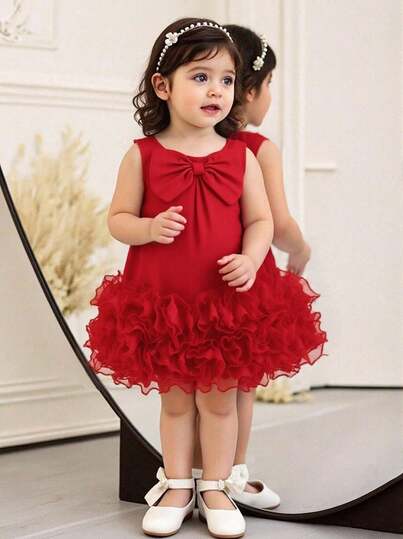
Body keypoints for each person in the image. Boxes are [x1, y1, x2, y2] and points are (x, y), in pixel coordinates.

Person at [83, 16, 328, 538]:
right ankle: (177, 485)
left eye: (227, 79)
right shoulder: (142, 155)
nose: (217, 90)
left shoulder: (241, 156)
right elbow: (117, 219)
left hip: (223, 302)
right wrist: (148, 228)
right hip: (165, 301)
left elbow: (261, 220)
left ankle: (215, 486)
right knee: (175, 402)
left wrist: (252, 258)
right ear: (163, 86)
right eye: (200, 77)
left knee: (219, 400)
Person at [191, 23, 329, 512]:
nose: (269, 95)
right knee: (239, 386)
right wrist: (301, 250)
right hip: (243, 283)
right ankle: (231, 474)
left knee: (192, 383)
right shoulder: (255, 148)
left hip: (194, 277)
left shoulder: (186, 143)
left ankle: (192, 473)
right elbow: (278, 222)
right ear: (250, 90)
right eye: (268, 84)